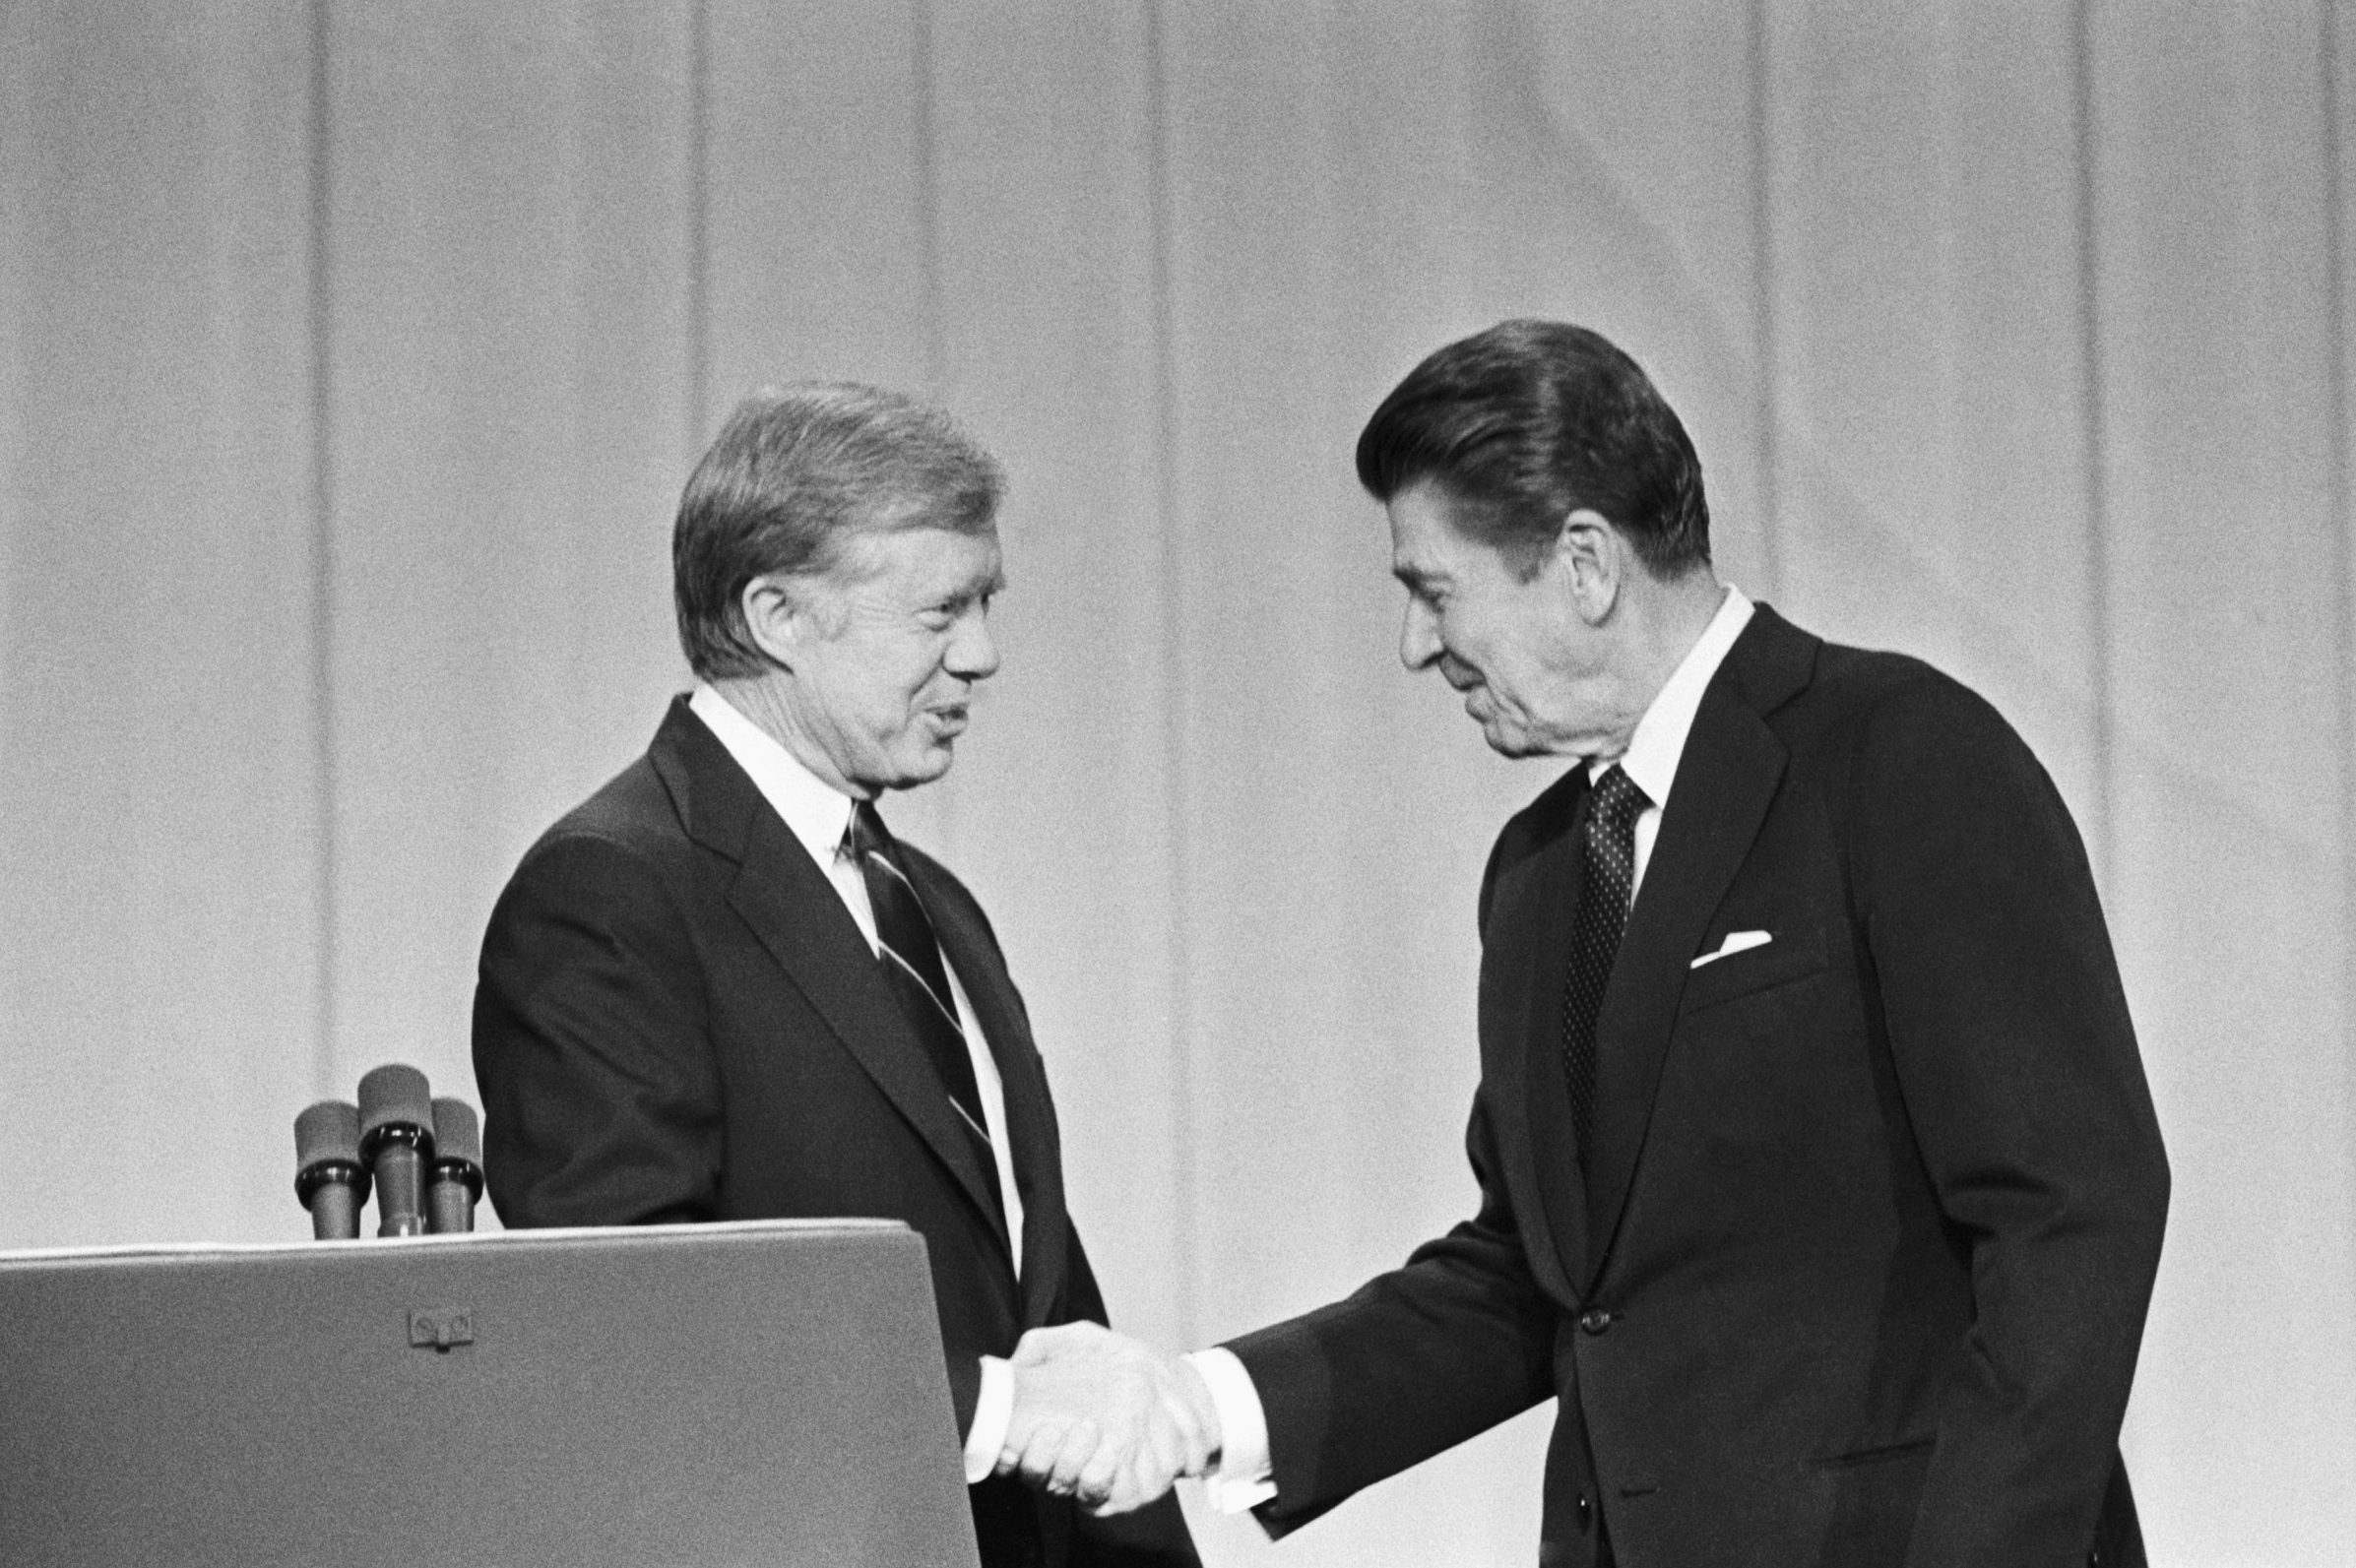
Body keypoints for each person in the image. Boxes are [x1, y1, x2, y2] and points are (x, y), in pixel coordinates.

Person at [1000, 321, 2171, 1567]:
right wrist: (1197, 1405)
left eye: (1431, 590)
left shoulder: (1900, 756)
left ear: (1582, 564)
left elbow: (2068, 1212)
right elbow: (1533, 1280)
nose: (1414, 646)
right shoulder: (1540, 871)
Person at [473, 383, 1203, 1568]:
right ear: (777, 615)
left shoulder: (929, 899)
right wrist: (998, 1416)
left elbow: (1035, 1294)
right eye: (940, 610)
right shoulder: (610, 892)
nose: (983, 655)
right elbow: (631, 1321)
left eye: (986, 603)